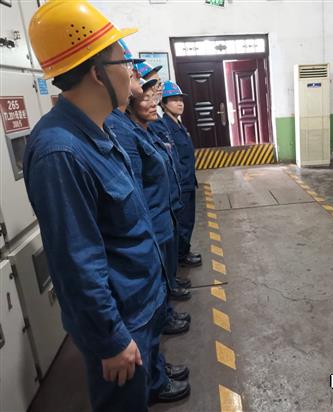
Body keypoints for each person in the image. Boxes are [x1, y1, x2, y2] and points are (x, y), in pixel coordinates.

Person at [24, 1, 188, 410]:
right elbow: (77, 263)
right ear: (98, 72)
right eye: (125, 63)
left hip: (141, 303)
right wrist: (110, 340)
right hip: (122, 321)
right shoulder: (60, 152)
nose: (133, 77)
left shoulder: (98, 131)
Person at [105, 41, 192, 333]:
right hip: (152, 221)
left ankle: (165, 313)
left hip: (162, 214)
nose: (153, 98)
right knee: (154, 279)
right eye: (146, 90)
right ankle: (163, 318)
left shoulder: (138, 128)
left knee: (163, 272)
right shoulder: (121, 130)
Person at [152, 80, 202, 267]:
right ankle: (181, 256)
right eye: (174, 100)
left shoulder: (179, 125)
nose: (179, 103)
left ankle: (185, 250)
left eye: (181, 99)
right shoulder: (165, 126)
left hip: (188, 181)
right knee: (182, 222)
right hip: (180, 185)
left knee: (188, 220)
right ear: (163, 104)